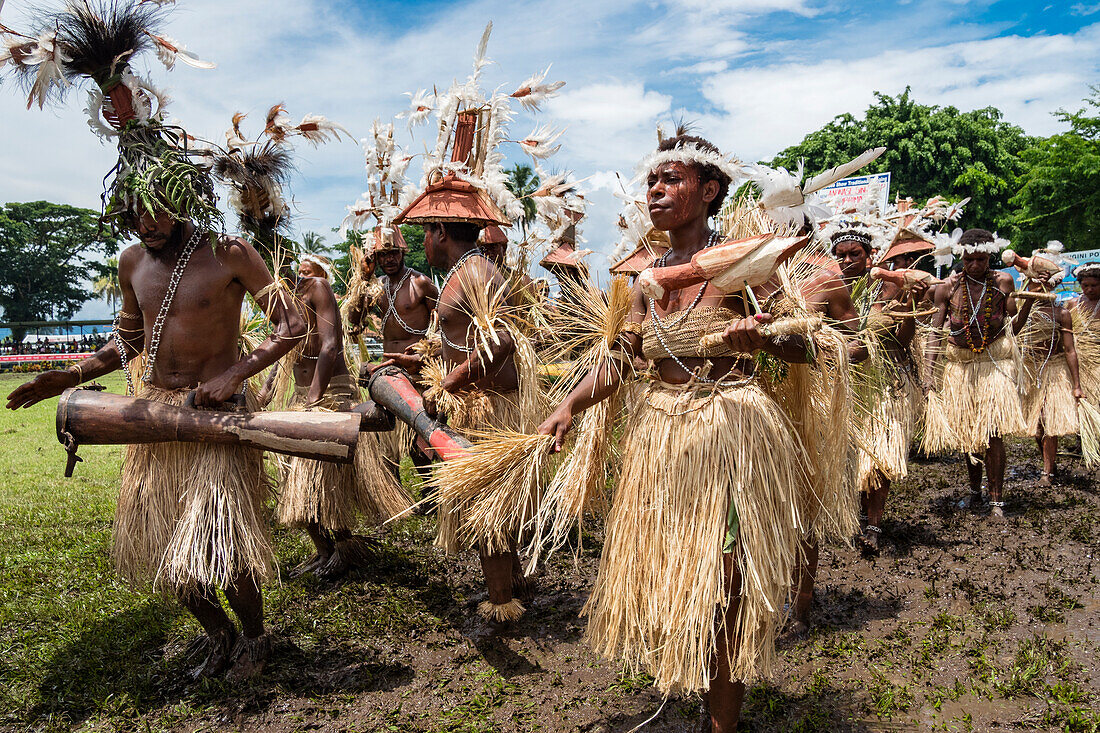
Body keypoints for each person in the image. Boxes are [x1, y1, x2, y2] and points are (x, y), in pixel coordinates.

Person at [539, 133, 811, 733]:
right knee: (686, 574)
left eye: (672, 180)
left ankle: (724, 722)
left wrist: (765, 337)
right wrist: (570, 406)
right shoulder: (644, 279)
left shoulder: (745, 263)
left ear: (709, 191)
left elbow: (808, 344)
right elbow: (621, 360)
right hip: (663, 436)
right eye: (651, 182)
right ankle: (698, 681)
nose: (655, 191)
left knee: (731, 577)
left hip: (732, 431)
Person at [8, 211, 306, 679]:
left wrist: (233, 376)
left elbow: (291, 325)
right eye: (133, 218)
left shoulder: (230, 254)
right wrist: (71, 375)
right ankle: (218, 635)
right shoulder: (132, 263)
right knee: (162, 544)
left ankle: (253, 639)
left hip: (216, 416)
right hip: (155, 419)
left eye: (154, 214)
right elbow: (127, 343)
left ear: (181, 196)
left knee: (221, 543)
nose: (144, 227)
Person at [263, 254, 409, 578]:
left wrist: (315, 400)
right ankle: (324, 551)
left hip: (331, 392)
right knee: (297, 481)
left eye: (303, 269)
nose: (299, 273)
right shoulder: (282, 301)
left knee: (327, 479)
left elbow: (329, 346)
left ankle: (345, 549)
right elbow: (281, 350)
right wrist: (267, 391)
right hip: (304, 396)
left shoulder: (318, 288)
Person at [923, 229, 1032, 518]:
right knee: (970, 435)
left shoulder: (1003, 282)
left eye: (981, 259)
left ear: (990, 256)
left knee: (993, 432)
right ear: (962, 256)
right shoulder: (948, 288)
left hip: (993, 365)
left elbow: (1013, 326)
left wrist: (1029, 301)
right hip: (961, 367)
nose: (975, 266)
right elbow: (935, 332)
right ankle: (975, 491)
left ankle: (996, 499)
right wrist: (928, 373)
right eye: (969, 259)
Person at [1019, 291, 1083, 484]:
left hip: (1054, 370)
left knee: (1049, 421)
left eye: (1044, 284)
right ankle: (1050, 463)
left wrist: (1077, 385)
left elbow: (1069, 349)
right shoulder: (1024, 312)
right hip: (1030, 370)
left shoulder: (1061, 314)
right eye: (1035, 284)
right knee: (1037, 427)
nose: (1039, 289)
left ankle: (1048, 473)